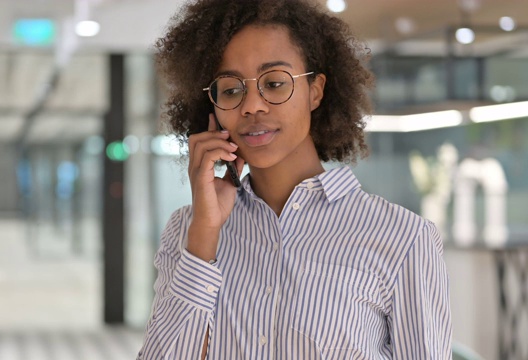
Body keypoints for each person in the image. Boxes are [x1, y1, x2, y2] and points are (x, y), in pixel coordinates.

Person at [138, 0, 452, 358]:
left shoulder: (403, 239)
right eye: (230, 89)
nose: (251, 105)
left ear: (315, 91)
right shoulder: (188, 230)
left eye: (273, 83)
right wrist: (205, 234)